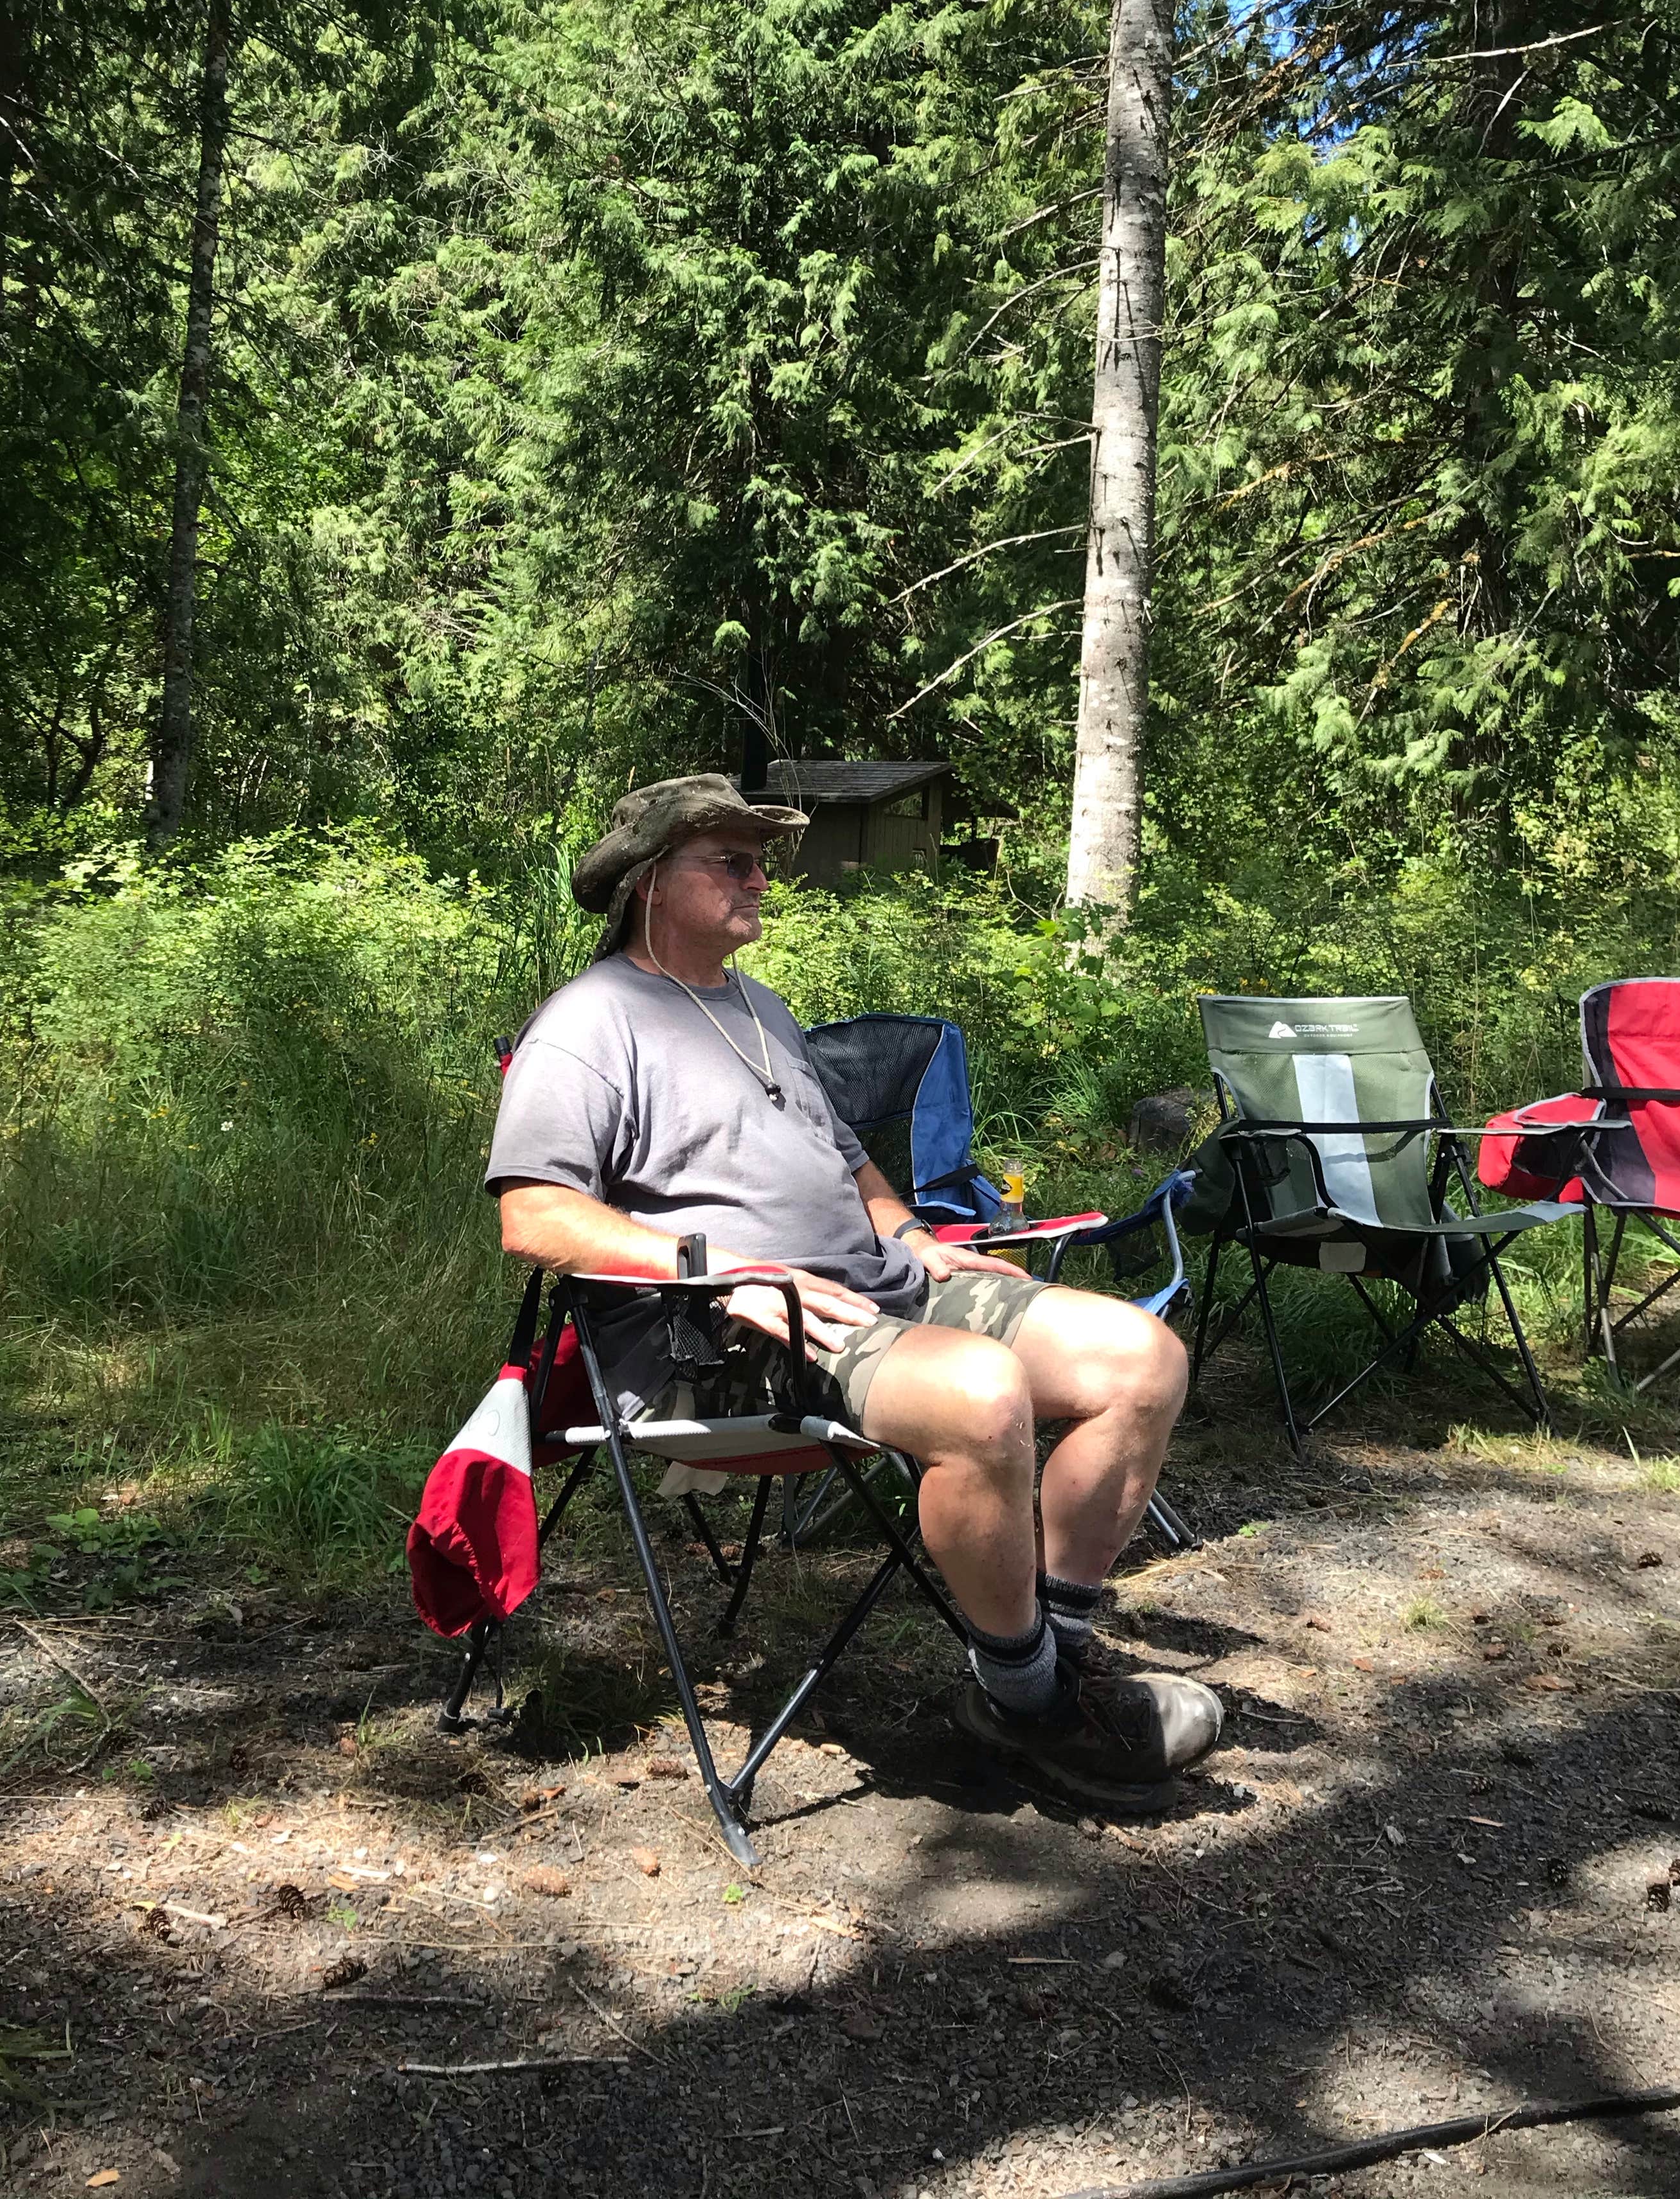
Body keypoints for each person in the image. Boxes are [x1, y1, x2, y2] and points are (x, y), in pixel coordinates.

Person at [486, 772, 1222, 1813]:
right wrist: (719, 1267)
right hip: (727, 1340)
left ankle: (1046, 1666)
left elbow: (848, 1162)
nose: (759, 878)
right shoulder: (590, 1021)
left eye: (759, 858)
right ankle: (1037, 1705)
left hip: (879, 1292)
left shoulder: (759, 1007)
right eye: (731, 860)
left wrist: (921, 1240)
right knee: (982, 1396)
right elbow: (535, 1217)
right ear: (651, 882)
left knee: (1142, 1361)